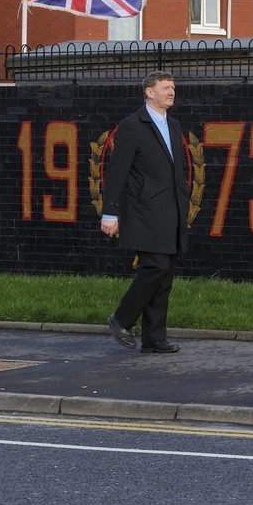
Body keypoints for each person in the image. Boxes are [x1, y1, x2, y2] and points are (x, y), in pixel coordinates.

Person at [100, 70, 191, 354]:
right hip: (144, 210)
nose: (171, 91)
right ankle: (121, 319)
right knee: (156, 266)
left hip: (171, 211)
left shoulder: (173, 125)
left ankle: (154, 339)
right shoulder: (132, 125)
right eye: (166, 87)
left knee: (165, 275)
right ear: (149, 92)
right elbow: (116, 172)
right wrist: (110, 213)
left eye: (173, 87)